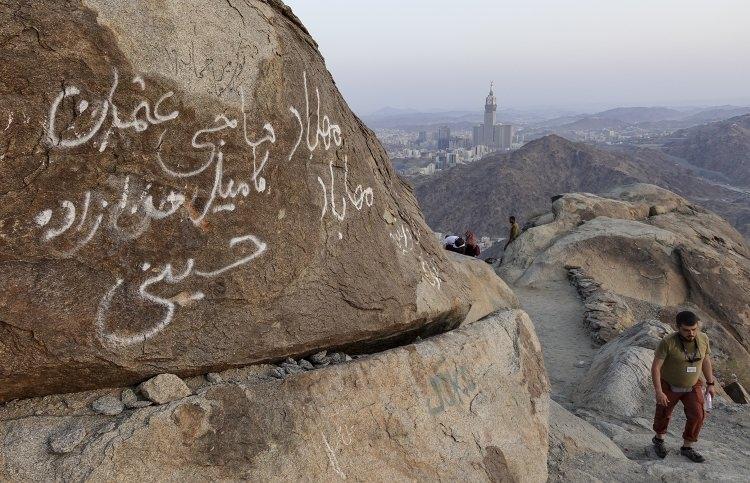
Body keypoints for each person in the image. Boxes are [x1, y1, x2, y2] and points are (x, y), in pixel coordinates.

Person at [651, 310, 716, 463]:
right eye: (686, 330)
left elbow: (705, 361)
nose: (691, 333)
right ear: (678, 327)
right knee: (663, 412)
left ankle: (687, 447)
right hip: (669, 385)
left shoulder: (703, 338)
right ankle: (659, 440)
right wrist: (659, 391)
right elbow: (655, 368)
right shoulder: (668, 342)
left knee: (698, 414)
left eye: (694, 329)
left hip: (693, 385)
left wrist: (711, 383)